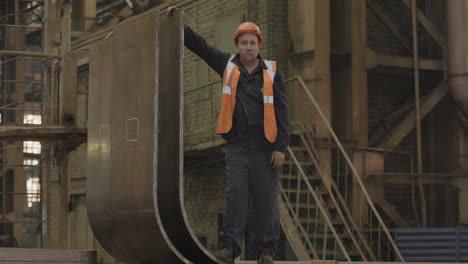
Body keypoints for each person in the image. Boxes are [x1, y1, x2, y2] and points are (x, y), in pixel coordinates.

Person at [173, 9, 290, 264]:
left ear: (259, 45)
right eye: (244, 43)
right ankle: (229, 248)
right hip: (237, 146)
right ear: (237, 45)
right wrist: (178, 26)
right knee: (235, 195)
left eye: (252, 43)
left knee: (266, 200)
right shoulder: (228, 66)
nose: (248, 48)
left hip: (265, 146)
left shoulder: (272, 73)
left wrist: (280, 148)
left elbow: (283, 113)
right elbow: (202, 47)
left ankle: (265, 251)